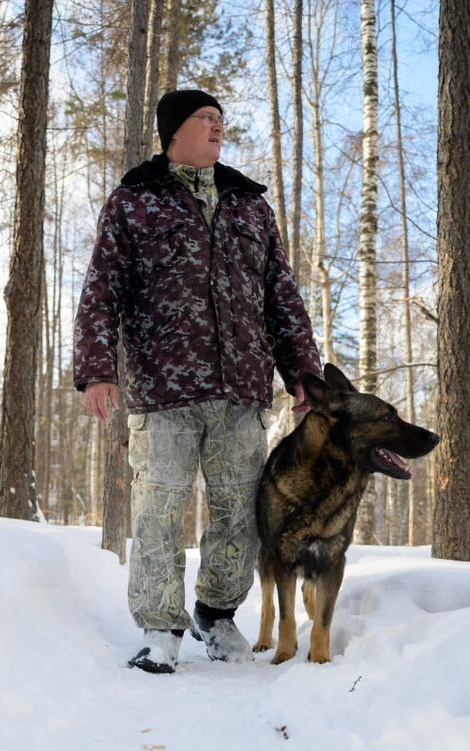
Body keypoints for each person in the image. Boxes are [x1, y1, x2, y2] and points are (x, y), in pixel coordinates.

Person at [73, 89, 321, 674]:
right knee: (158, 510)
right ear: (174, 131)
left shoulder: (251, 206)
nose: (217, 127)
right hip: (162, 389)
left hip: (241, 389)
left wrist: (303, 372)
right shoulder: (134, 200)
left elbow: (281, 297)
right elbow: (102, 290)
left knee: (240, 510)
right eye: (205, 118)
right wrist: (97, 371)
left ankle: (216, 613)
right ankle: (160, 629)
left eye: (221, 120)